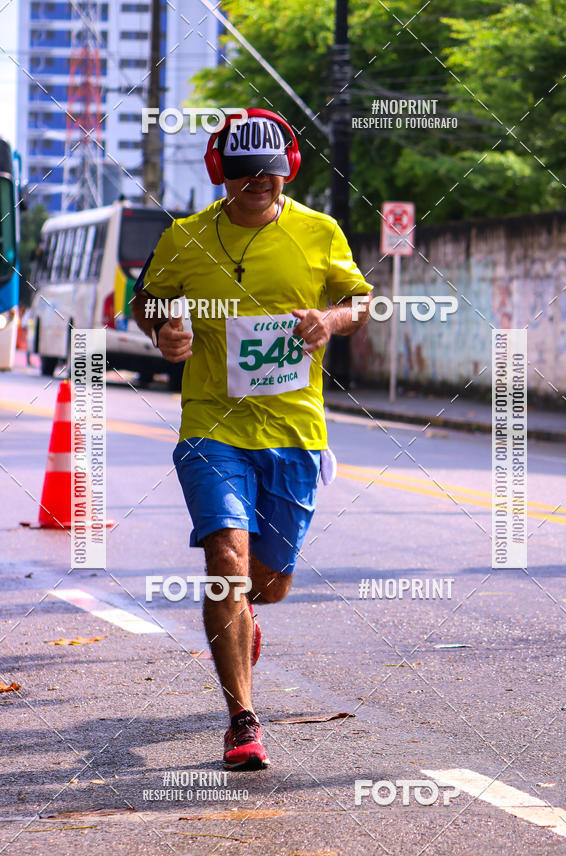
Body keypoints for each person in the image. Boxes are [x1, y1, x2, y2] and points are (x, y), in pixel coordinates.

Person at [131, 107, 372, 770]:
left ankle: (246, 620)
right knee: (226, 564)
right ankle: (242, 718)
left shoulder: (319, 232)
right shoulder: (185, 238)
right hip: (212, 426)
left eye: (268, 170)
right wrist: (163, 329)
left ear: (286, 169)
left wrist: (329, 318)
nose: (257, 182)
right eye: (243, 172)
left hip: (294, 430)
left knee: (268, 583)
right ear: (222, 174)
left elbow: (360, 303)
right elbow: (145, 299)